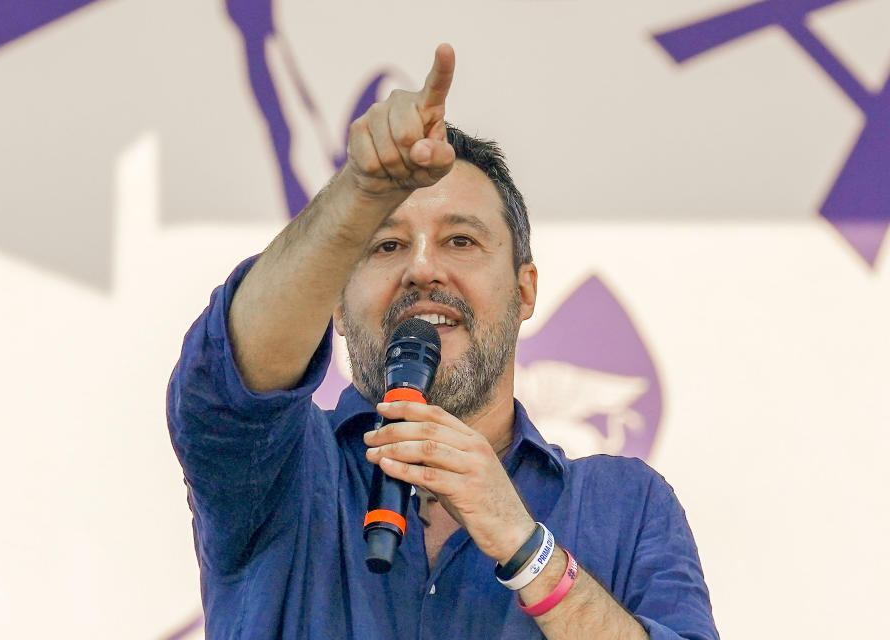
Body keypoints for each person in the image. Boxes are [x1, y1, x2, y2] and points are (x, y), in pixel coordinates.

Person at [167, 44, 718, 639]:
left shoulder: (624, 505)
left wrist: (524, 544)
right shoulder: (285, 470)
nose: (422, 269)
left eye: (461, 241)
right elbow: (227, 380)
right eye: (386, 245)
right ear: (338, 309)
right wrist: (360, 192)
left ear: (525, 290)